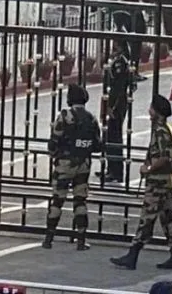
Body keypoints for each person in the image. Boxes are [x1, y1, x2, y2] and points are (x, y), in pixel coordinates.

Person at [110, 95, 172, 270]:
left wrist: (148, 169)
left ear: (156, 111)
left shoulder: (161, 131)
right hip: (166, 181)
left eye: (151, 107)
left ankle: (133, 254)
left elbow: (165, 157)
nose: (149, 110)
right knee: (168, 219)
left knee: (147, 218)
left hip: (158, 182)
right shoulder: (169, 129)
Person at [43, 84, 101, 250]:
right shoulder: (91, 118)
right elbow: (97, 145)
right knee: (80, 201)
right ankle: (81, 240)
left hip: (64, 164)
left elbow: (54, 141)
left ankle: (49, 238)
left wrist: (55, 153)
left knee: (57, 200)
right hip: (83, 164)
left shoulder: (64, 116)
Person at [101, 41, 133, 182]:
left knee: (115, 136)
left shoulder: (121, 62)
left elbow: (119, 88)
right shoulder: (114, 59)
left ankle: (117, 171)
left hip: (116, 105)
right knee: (108, 136)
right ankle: (110, 167)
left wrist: (111, 107)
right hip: (110, 101)